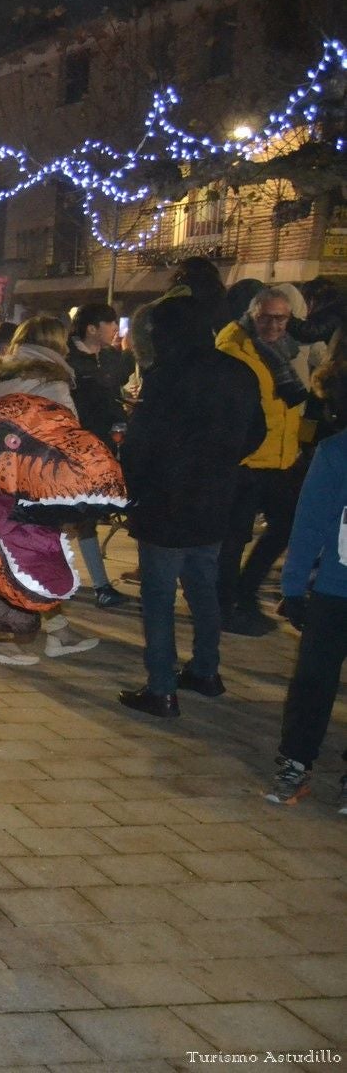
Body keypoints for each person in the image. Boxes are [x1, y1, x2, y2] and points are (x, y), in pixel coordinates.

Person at [117, 295, 265, 719]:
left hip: (167, 502)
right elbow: (257, 431)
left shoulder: (168, 376)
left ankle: (162, 687)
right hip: (216, 496)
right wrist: (221, 460)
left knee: (160, 596)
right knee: (204, 585)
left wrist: (133, 489)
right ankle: (206, 669)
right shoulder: (238, 372)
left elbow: (143, 444)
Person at [0, 314, 100, 664]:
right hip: (40, 478)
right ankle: (0, 640)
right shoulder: (52, 375)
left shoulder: (0, 370)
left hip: (4, 475)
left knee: (26, 554)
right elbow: (65, 432)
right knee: (31, 556)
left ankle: (55, 631)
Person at [266, 362, 347, 808]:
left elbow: (309, 526)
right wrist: (294, 587)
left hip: (333, 587)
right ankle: (296, 762)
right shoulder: (336, 453)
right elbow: (310, 524)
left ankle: (304, 766)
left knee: (313, 683)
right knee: (313, 683)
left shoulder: (334, 450)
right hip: (335, 588)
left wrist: (295, 587)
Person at [216, 285, 310, 635]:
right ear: (253, 315)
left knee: (288, 524)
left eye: (281, 318)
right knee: (233, 538)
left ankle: (245, 591)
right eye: (266, 317)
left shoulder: (280, 349)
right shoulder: (235, 349)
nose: (274, 325)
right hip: (247, 462)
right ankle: (226, 605)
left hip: (280, 459)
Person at [67, 302, 134, 608]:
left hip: (108, 445)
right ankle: (100, 584)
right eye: (109, 324)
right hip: (76, 447)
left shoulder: (111, 358)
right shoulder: (69, 360)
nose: (115, 331)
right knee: (82, 516)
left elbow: (117, 388)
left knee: (89, 514)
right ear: (91, 328)